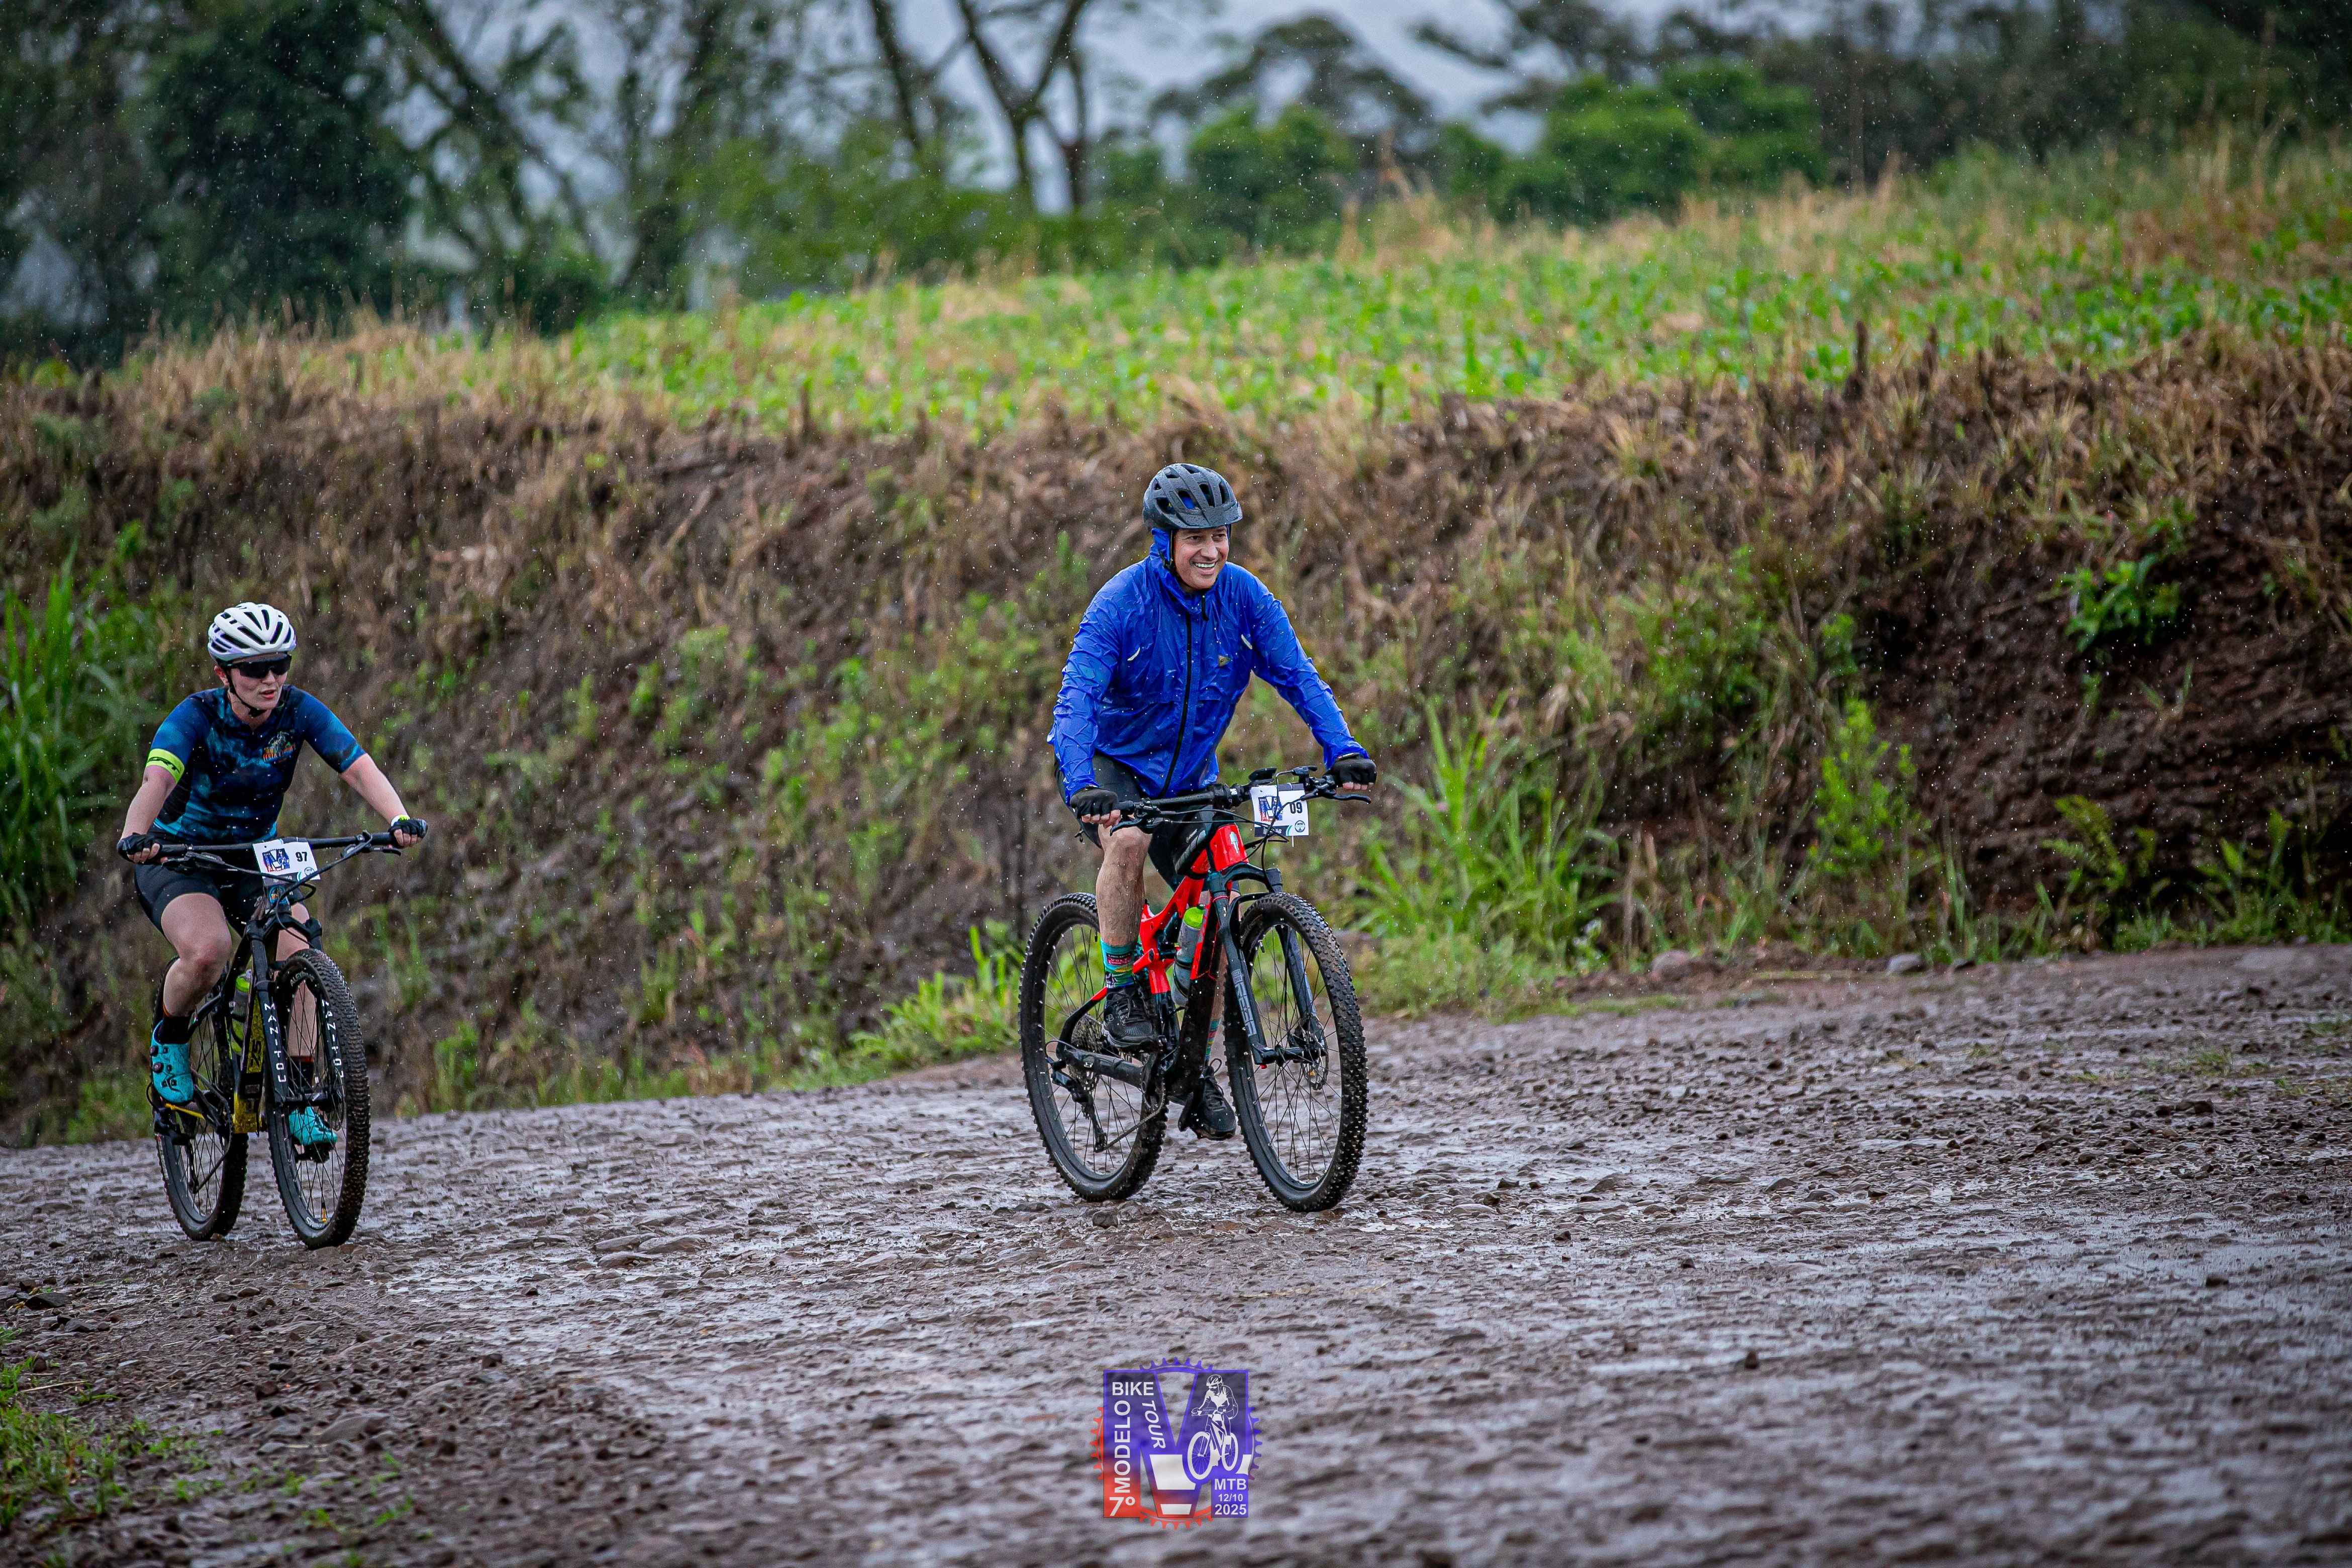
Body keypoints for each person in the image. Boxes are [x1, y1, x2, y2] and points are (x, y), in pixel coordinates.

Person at [1049, 463, 1376, 1140]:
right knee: (1129, 842)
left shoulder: (1245, 598)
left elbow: (1298, 675)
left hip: (1192, 776)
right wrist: (1083, 784)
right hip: (1113, 770)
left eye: (1221, 535)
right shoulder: (1121, 604)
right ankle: (1123, 990)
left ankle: (1193, 1065)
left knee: (1224, 885)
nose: (1212, 550)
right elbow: (1076, 699)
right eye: (1195, 538)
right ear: (1164, 540)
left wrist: (1341, 749)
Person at [116, 602, 427, 1148]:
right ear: (223, 674)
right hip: (180, 858)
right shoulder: (196, 716)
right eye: (255, 669)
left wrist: (398, 818)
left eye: (280, 665)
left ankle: (301, 1095)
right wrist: (136, 833)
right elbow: (157, 780)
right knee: (209, 951)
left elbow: (357, 766)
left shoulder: (298, 710)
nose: (270, 680)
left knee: (300, 945)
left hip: (253, 857)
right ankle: (170, 1039)